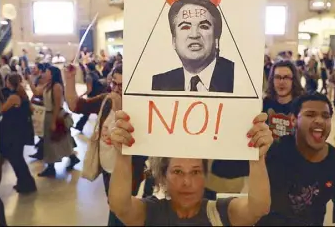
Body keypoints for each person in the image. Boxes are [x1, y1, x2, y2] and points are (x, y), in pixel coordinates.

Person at [109, 111, 273, 226]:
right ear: (163, 176)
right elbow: (120, 206)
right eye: (177, 172)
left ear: (204, 177)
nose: (187, 182)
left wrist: (257, 158)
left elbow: (258, 207)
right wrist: (123, 154)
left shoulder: (220, 212)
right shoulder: (152, 212)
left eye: (195, 172)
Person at [255, 93, 335, 226]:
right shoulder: (274, 152)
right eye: (310, 114)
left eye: (325, 116)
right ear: (293, 120)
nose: (319, 120)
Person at [64, 63, 148, 226]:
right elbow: (76, 105)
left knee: (122, 210)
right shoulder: (106, 99)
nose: (116, 89)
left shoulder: (140, 106)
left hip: (128, 170)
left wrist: (119, 108)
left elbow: (134, 140)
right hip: (108, 167)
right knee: (112, 205)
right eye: (113, 83)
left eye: (121, 85)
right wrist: (69, 79)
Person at [152, 0, 234, 93]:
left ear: (216, 39)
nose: (194, 35)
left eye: (204, 26)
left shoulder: (236, 77)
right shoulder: (159, 83)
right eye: (185, 27)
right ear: (174, 41)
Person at [27, 66, 79, 177]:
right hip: (49, 115)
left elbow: (56, 105)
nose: (45, 73)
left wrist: (54, 121)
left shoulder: (56, 86)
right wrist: (29, 80)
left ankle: (51, 168)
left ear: (52, 74)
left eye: (47, 71)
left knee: (53, 141)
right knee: (60, 141)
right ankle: (71, 158)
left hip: (55, 115)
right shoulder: (48, 85)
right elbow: (36, 92)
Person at [0, 73, 37, 194]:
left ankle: (27, 184)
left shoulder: (13, 97)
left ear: (9, 83)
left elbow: (2, 109)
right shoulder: (21, 94)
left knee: (16, 159)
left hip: (13, 132)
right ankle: (24, 182)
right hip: (19, 131)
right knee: (17, 158)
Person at [264, 60, 305, 139]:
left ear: (293, 80)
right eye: (277, 77)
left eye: (286, 77)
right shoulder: (265, 102)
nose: (281, 82)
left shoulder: (302, 106)